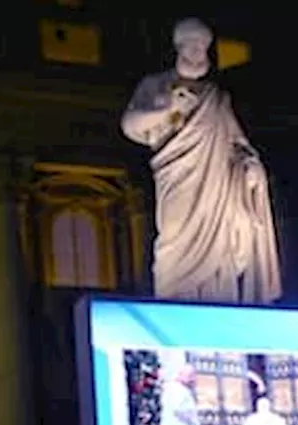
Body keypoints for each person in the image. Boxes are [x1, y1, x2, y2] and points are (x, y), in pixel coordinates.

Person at [120, 17, 282, 303]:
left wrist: (251, 165)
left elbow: (237, 143)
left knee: (222, 251)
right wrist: (168, 109)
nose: (197, 52)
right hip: (177, 179)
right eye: (192, 45)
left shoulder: (217, 98)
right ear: (178, 47)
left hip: (216, 188)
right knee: (173, 243)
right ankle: (174, 305)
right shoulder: (156, 85)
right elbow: (130, 125)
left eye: (203, 47)